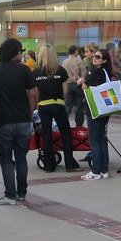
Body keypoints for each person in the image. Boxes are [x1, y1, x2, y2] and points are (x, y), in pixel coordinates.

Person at [0, 38, 37, 204]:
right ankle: (22, 192)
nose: (21, 54)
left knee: (6, 158)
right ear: (15, 52)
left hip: (3, 120)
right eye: (20, 51)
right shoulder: (24, 70)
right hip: (22, 120)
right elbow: (33, 94)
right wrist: (29, 114)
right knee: (21, 157)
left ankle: (10, 194)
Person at [33, 44, 81, 173]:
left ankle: (49, 165)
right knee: (66, 134)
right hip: (58, 104)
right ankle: (70, 164)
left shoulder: (37, 72)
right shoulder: (60, 70)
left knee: (47, 135)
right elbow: (65, 91)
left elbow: (36, 92)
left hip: (43, 105)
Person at [76, 48, 114, 180]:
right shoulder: (105, 71)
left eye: (98, 57)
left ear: (104, 60)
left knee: (94, 140)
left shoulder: (95, 70)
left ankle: (96, 171)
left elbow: (85, 86)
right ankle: (104, 170)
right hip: (104, 109)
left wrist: (81, 82)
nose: (95, 58)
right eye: (95, 56)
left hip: (94, 109)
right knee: (102, 138)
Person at [62, 44, 86, 128]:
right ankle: (79, 125)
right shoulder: (79, 61)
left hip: (68, 85)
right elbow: (84, 74)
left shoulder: (65, 62)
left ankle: (63, 122)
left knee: (68, 105)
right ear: (75, 51)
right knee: (79, 106)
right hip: (77, 85)